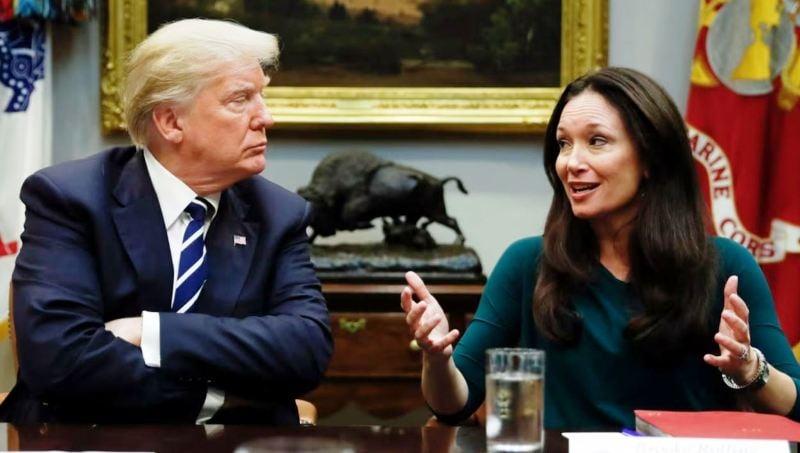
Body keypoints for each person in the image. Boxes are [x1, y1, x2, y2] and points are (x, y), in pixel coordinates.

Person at [402, 67, 800, 429]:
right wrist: (436, 357)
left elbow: (794, 402)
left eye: (596, 141)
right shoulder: (526, 263)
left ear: (650, 159)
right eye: (563, 144)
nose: (571, 162)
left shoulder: (725, 265)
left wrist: (750, 368)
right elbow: (453, 404)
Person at [0, 19, 332, 425]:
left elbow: (306, 349)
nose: (266, 117)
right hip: (82, 442)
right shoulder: (70, 197)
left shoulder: (280, 214)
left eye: (261, 95)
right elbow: (61, 359)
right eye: (240, 99)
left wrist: (151, 333)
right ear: (171, 122)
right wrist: (225, 401)